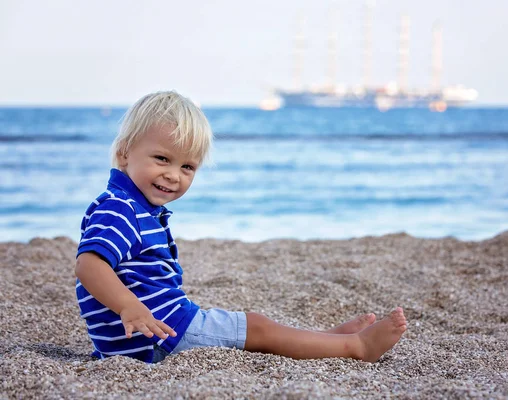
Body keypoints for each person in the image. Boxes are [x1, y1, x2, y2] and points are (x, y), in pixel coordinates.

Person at [75, 90, 408, 364]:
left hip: (148, 335)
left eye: (187, 166)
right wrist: (128, 306)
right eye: (162, 159)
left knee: (255, 328)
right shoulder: (121, 208)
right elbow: (89, 264)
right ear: (124, 154)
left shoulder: (132, 206)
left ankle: (330, 340)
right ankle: (356, 348)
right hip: (162, 336)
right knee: (257, 327)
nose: (174, 175)